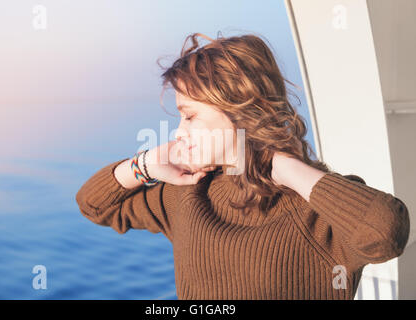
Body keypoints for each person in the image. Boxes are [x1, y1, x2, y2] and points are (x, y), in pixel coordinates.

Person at [75, 32, 410, 299]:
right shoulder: (189, 194)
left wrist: (280, 164)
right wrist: (145, 165)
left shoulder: (315, 210)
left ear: (239, 111)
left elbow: (385, 232)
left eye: (190, 116)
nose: (179, 132)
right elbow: (92, 204)